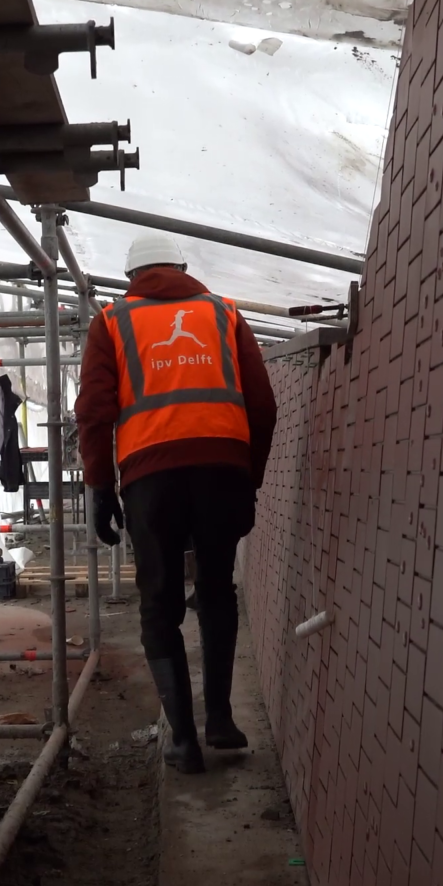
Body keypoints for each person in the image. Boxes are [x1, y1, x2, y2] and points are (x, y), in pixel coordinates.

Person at [75, 231, 278, 774]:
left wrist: (99, 487)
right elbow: (262, 404)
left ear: (130, 278)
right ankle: (222, 721)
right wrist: (248, 477)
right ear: (185, 268)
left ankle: (183, 742)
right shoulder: (225, 314)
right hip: (222, 469)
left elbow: (94, 412)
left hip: (151, 478)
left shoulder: (113, 321)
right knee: (216, 589)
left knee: (159, 600)